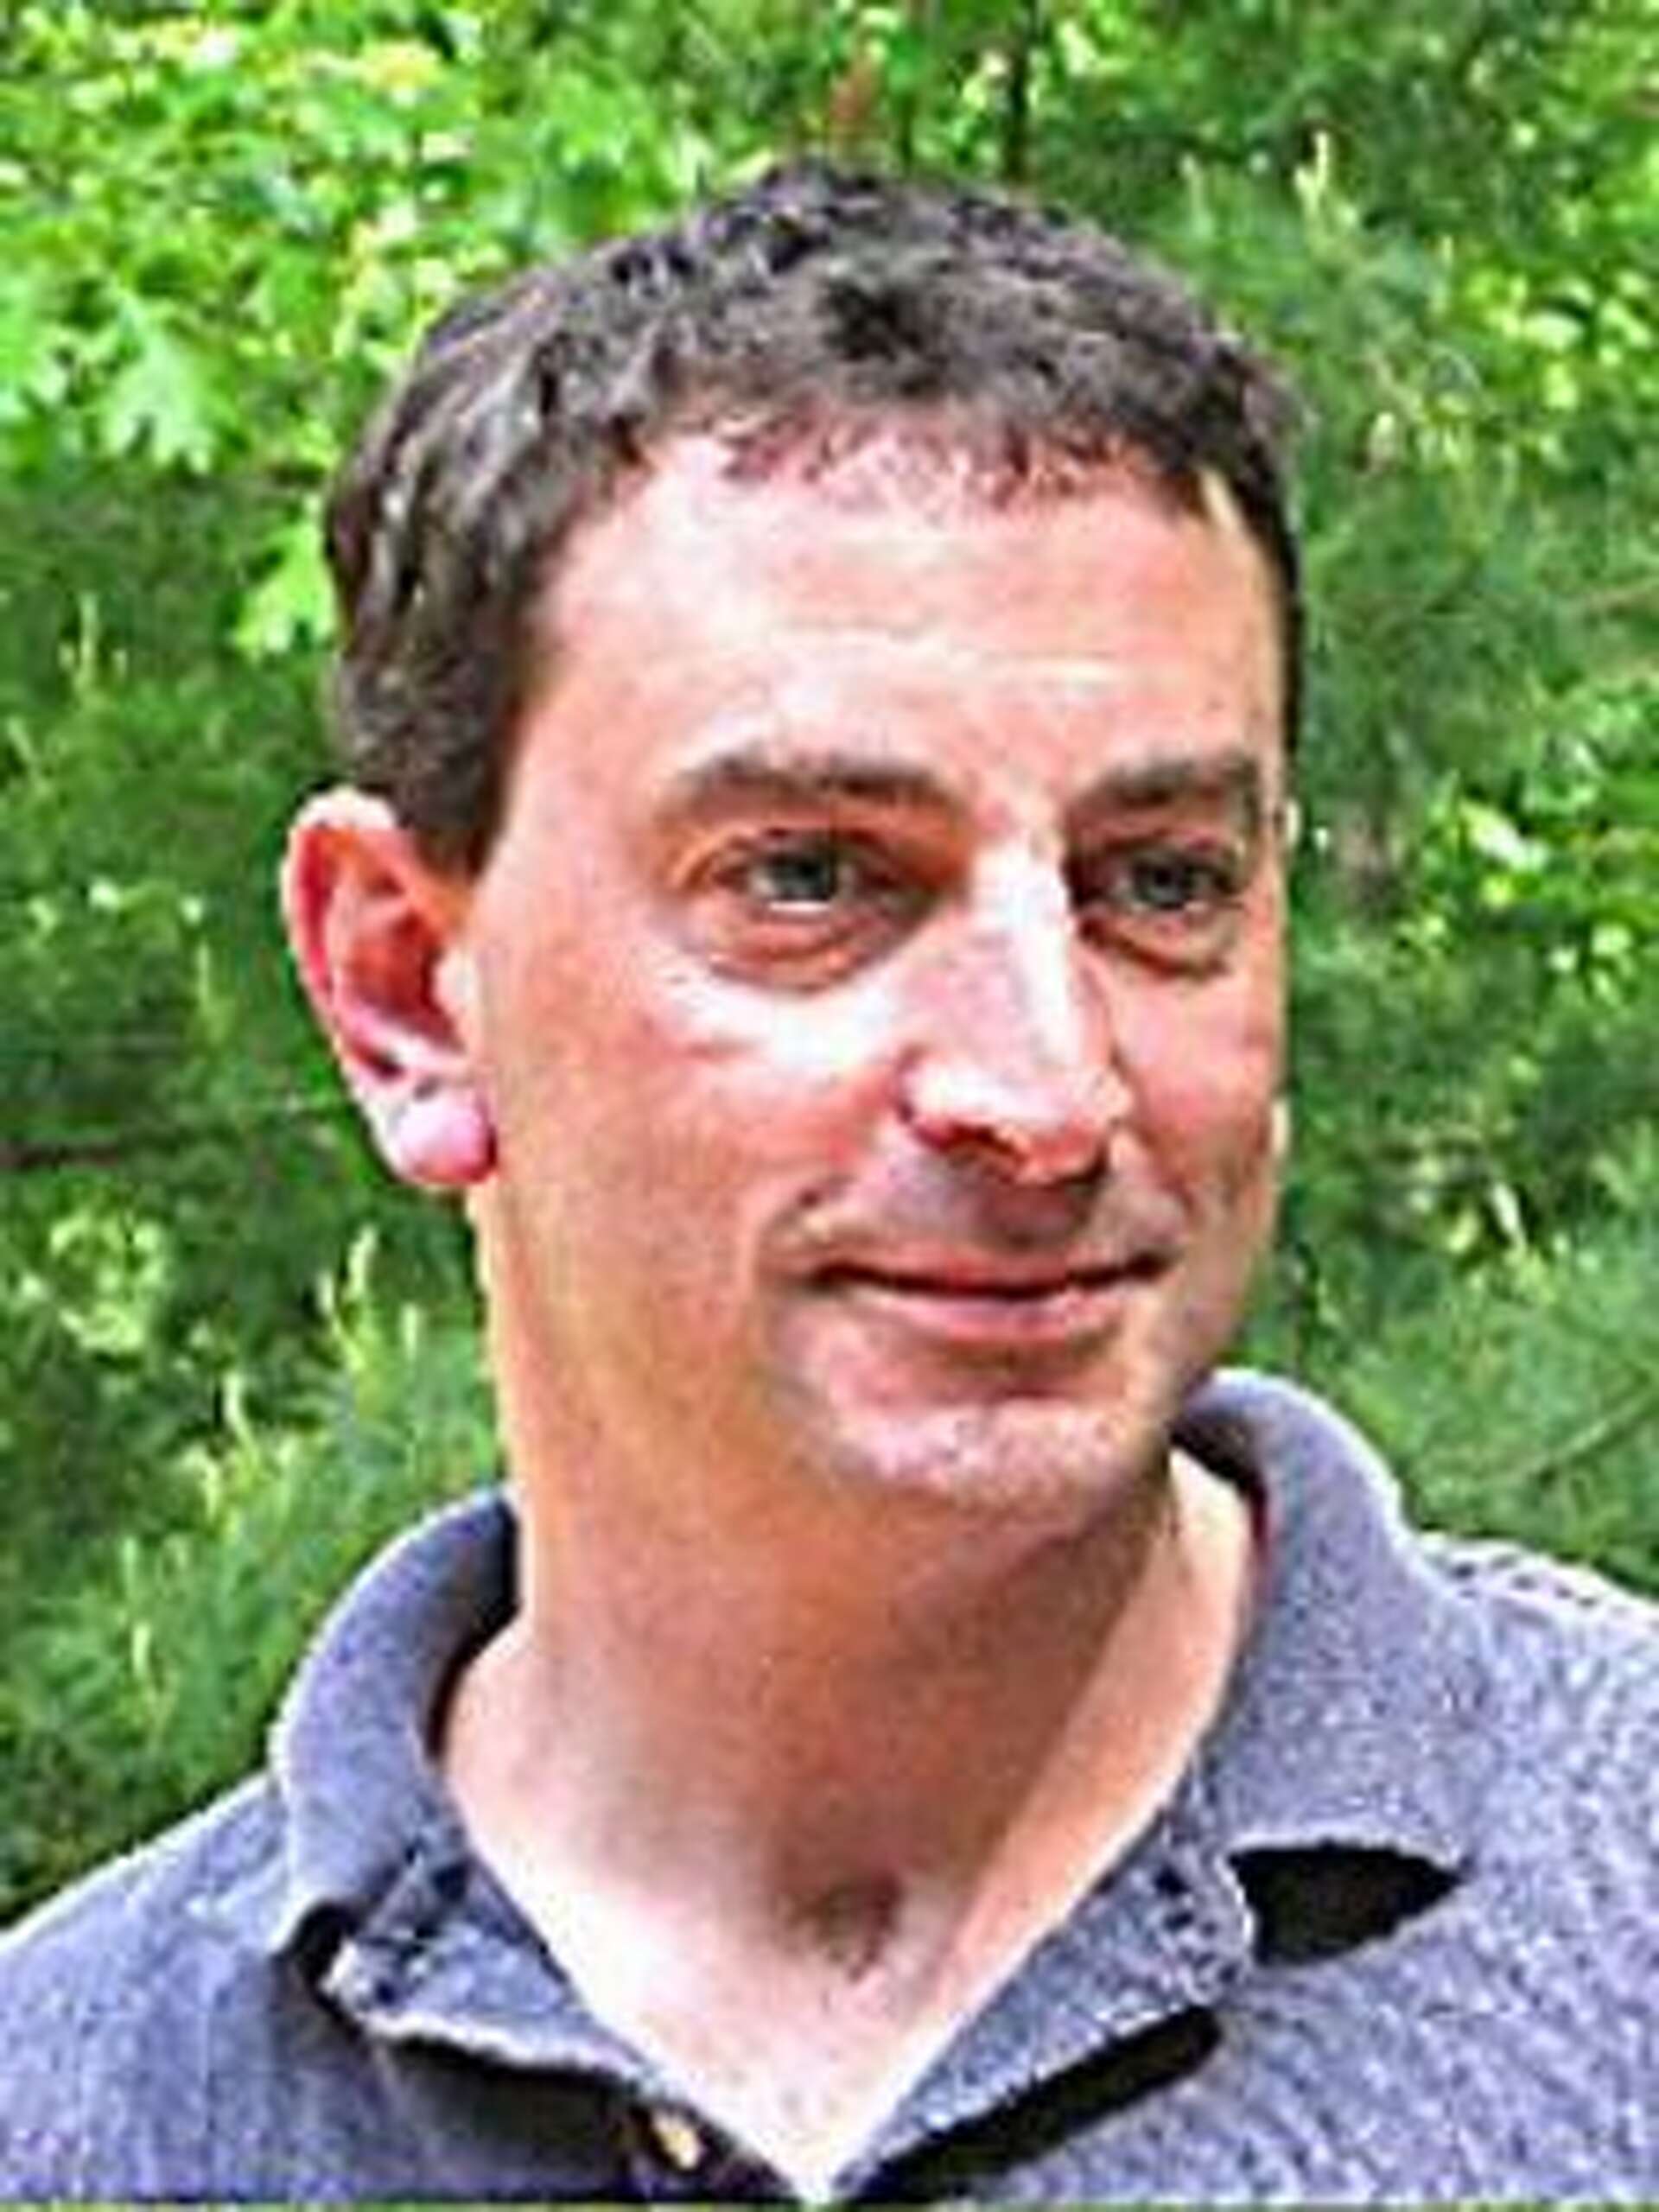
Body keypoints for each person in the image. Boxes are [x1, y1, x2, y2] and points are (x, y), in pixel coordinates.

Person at [2, 162, 1656, 2204]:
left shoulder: (1618, 1919)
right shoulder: (71, 2114)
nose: (1044, 1090)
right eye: (811, 878)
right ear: (408, 989)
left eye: (1163, 883)